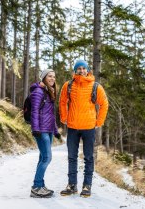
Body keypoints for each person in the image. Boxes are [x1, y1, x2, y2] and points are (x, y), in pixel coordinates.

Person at [59, 60, 108, 197]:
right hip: (73, 127)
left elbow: (104, 104)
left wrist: (99, 121)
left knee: (88, 157)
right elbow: (62, 102)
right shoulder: (68, 86)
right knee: (72, 157)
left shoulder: (96, 86)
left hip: (88, 127)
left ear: (88, 70)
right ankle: (72, 185)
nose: (81, 71)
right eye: (78, 68)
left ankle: (87, 186)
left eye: (83, 68)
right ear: (75, 71)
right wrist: (64, 117)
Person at [30, 69, 61, 198]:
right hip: (41, 130)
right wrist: (35, 129)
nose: (52, 78)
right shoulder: (38, 92)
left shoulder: (48, 92)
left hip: (48, 130)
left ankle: (40, 185)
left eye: (54, 76)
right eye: (49, 76)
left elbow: (51, 115)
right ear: (43, 78)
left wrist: (56, 131)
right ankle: (36, 187)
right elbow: (34, 112)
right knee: (47, 158)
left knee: (42, 158)